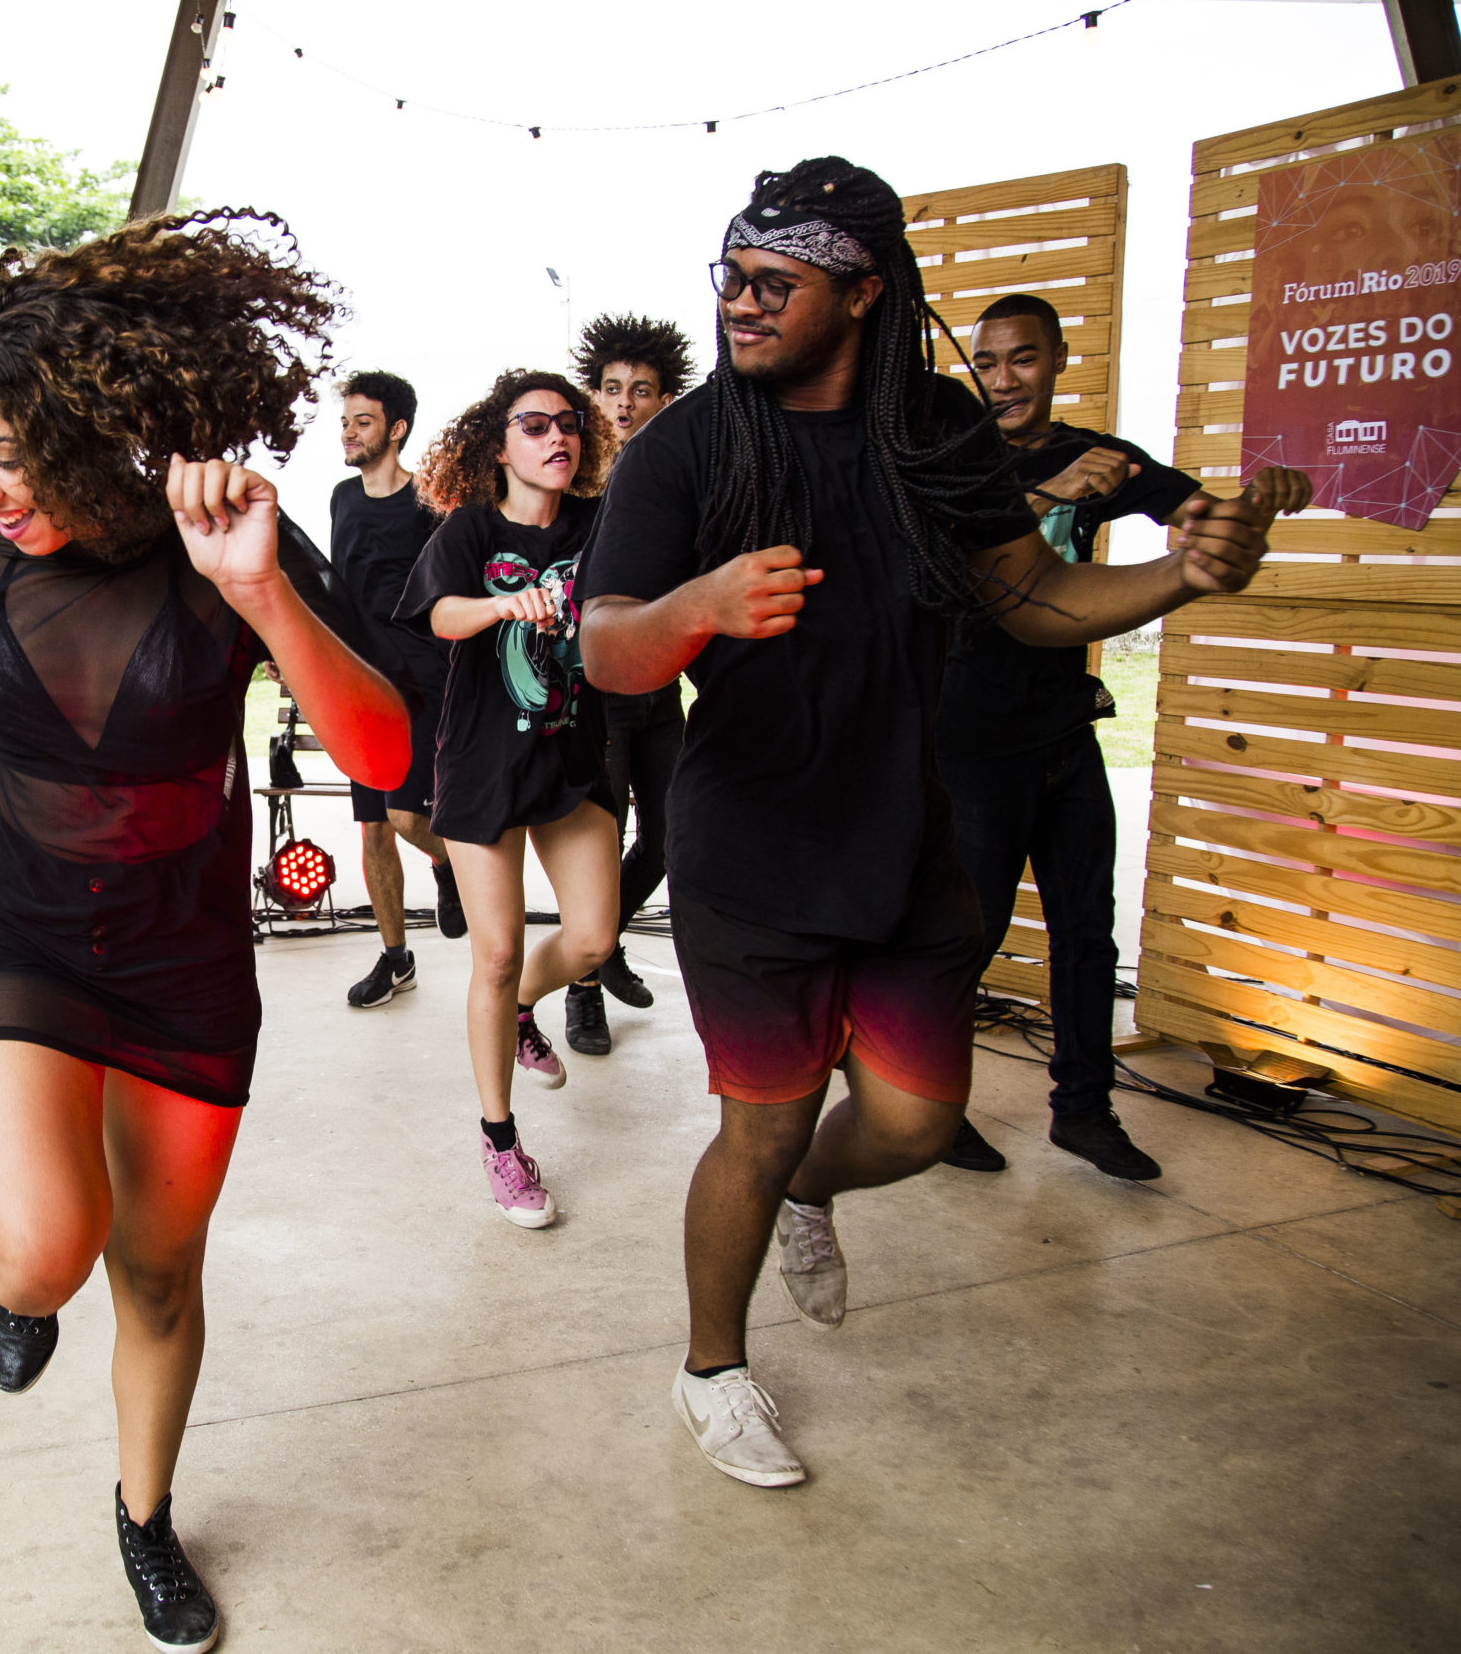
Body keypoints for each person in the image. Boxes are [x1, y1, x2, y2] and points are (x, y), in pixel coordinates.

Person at [577, 157, 1288, 1489]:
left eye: (769, 283)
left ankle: (811, 1196)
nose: (736, 303)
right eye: (728, 276)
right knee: (763, 1121)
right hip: (752, 849)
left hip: (906, 834)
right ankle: (712, 1367)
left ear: (860, 291)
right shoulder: (691, 445)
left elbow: (1030, 597)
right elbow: (608, 646)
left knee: (914, 1118)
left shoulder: (938, 431)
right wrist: (699, 608)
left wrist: (1179, 575)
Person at [0, 210, 406, 1654]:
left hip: (187, 956)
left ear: (89, 424)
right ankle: (23, 1290)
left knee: (161, 1272)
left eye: (3, 451)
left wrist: (259, 591)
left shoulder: (230, 537)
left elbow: (380, 753)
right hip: (19, 930)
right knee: (37, 1251)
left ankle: (143, 1513)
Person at [935, 292, 1308, 1180]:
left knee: (1088, 931)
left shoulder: (1093, 455)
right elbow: (938, 542)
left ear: (1059, 360)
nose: (1004, 379)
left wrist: (1256, 503)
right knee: (965, 940)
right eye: (986, 362)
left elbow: (1197, 514)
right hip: (972, 741)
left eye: (1023, 358)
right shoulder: (953, 464)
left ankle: (1084, 1109)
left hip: (1065, 730)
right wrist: (1045, 492)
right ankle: (931, 1107)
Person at [398, 371, 620, 1230]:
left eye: (568, 425)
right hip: (485, 762)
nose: (556, 437)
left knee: (594, 937)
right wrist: (505, 604)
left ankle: (527, 1006)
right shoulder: (470, 530)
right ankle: (501, 1140)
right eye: (535, 425)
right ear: (499, 445)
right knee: (492, 953)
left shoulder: (601, 527)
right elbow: (440, 614)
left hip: (570, 757)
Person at [560, 314, 698, 1052]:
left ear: (665, 399)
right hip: (597, 695)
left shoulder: (682, 477)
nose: (622, 403)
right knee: (597, 843)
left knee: (672, 838)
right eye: (610, 388)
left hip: (662, 689)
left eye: (640, 390)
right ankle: (584, 993)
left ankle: (602, 939)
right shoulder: (576, 483)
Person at [330, 369, 465, 1010]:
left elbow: (454, 592)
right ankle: (395, 959)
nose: (350, 432)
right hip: (361, 686)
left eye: (363, 421)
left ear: (397, 429)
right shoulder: (341, 498)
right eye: (346, 421)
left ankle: (447, 867)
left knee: (409, 815)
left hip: (419, 683)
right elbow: (338, 594)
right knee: (374, 830)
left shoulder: (431, 502)